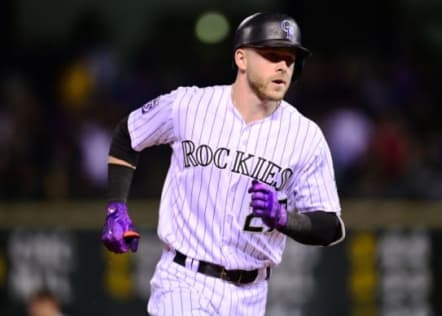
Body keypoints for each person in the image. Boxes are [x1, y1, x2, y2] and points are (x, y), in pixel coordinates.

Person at [101, 12, 346, 316]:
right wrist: (116, 207)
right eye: (272, 55)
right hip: (184, 281)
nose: (283, 65)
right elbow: (128, 133)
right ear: (241, 58)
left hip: (252, 295)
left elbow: (329, 227)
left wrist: (285, 219)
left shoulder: (305, 136)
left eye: (290, 58)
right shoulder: (189, 105)